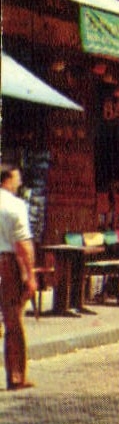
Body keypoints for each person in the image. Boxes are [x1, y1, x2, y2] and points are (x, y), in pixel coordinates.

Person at [0, 163, 37, 392]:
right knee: (13, 321)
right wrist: (30, 274)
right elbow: (22, 244)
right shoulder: (15, 205)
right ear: (8, 180)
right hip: (7, 264)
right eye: (17, 179)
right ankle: (15, 376)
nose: (20, 183)